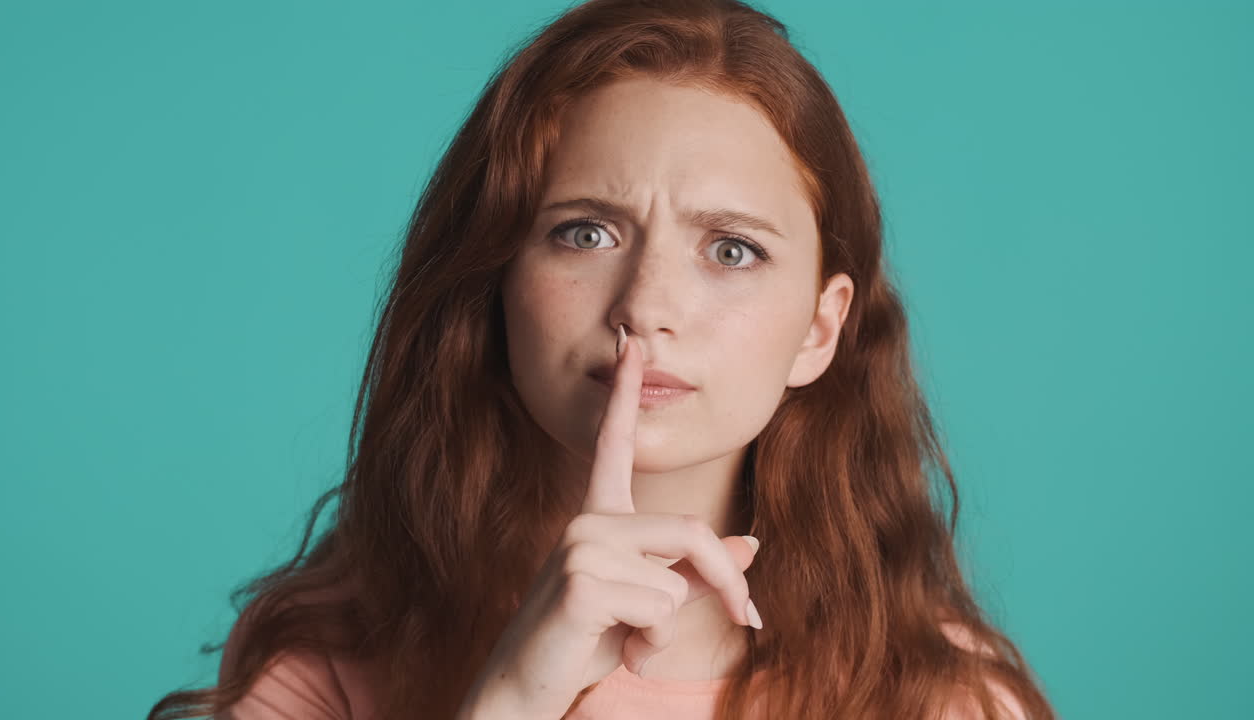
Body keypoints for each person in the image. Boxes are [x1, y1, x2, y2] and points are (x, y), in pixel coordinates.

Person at [147, 0, 1056, 718]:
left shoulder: (940, 697)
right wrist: (513, 698)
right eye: (585, 233)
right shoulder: (325, 656)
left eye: (731, 249)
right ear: (496, 281)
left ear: (820, 331)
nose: (645, 306)